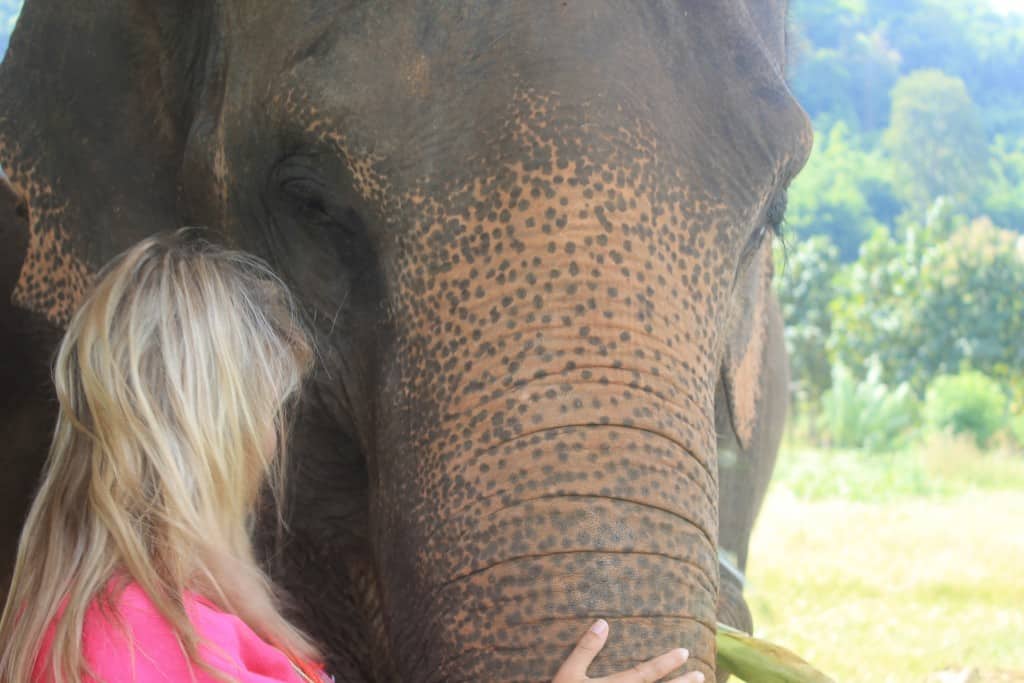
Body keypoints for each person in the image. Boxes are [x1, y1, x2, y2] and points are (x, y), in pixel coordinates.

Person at [0, 228, 704, 683]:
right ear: (213, 429)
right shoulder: (135, 646)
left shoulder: (91, 617)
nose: (274, 441)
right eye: (270, 413)